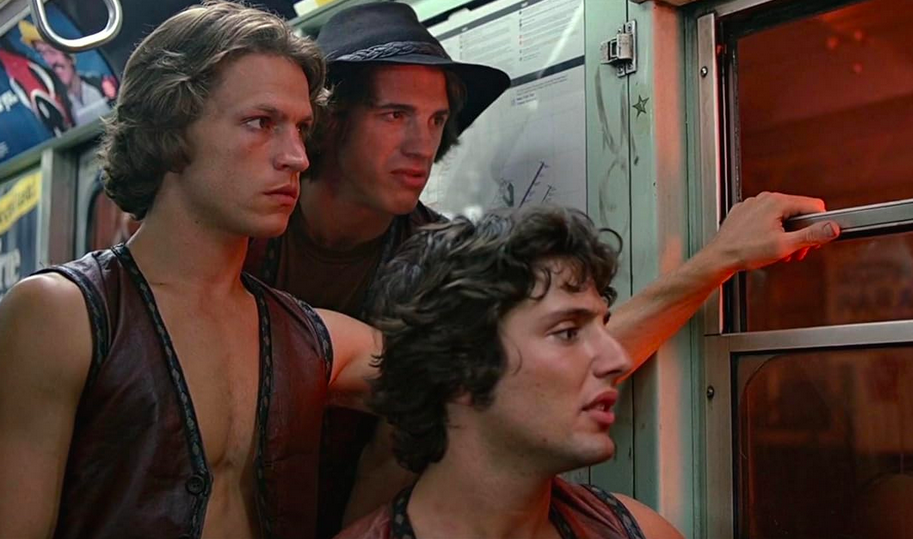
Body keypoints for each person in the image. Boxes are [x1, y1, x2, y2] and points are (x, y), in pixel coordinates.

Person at [243, 2, 842, 534]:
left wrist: (719, 259)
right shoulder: (247, 228)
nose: (420, 144)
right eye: (395, 115)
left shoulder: (433, 255)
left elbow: (540, 362)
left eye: (435, 120)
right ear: (329, 119)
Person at [0, 3, 379, 538]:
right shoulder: (64, 315)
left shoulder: (308, 337)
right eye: (261, 123)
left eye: (301, 128)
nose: (297, 156)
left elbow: (465, 388)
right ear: (172, 128)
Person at [336, 205, 684, 539]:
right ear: (460, 367)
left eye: (602, 326)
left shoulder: (637, 530)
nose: (618, 360)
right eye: (568, 332)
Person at [19, 20, 117, 126]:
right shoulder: (58, 109)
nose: (50, 61)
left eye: (52, 52)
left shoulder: (101, 84)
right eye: (42, 54)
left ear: (70, 56)